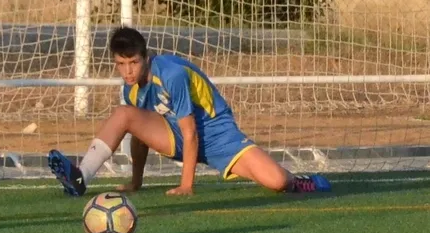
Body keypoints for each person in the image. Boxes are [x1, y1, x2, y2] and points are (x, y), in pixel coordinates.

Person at [48, 26, 331, 197]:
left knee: (277, 182)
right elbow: (139, 136)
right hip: (176, 135)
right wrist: (136, 182)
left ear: (146, 57)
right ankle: (81, 177)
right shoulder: (130, 90)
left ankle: (300, 182)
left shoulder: (172, 75)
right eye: (121, 64)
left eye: (133, 62)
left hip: (218, 135)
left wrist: (186, 185)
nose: (128, 71)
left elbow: (192, 131)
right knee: (124, 114)